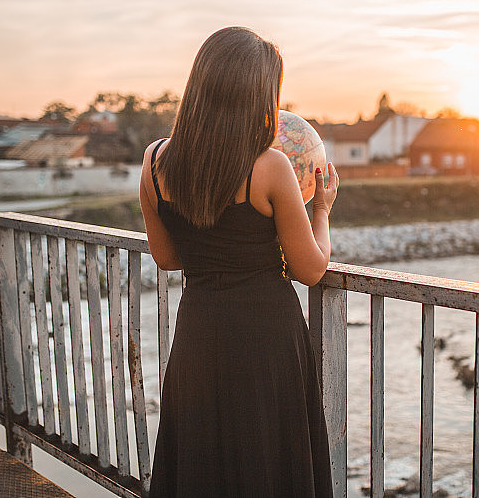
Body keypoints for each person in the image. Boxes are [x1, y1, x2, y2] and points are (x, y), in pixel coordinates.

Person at [139, 26, 338, 497]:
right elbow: (311, 269)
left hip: (199, 336)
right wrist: (323, 210)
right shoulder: (269, 166)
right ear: (257, 96)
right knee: (267, 461)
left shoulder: (154, 162)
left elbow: (167, 258)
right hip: (266, 341)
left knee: (206, 462)